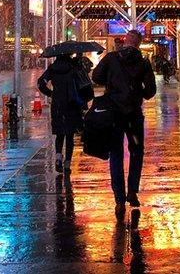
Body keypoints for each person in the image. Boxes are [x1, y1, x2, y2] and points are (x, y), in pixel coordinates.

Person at [92, 29, 157, 216]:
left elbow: (96, 77)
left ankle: (119, 200)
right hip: (134, 114)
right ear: (138, 43)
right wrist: (138, 93)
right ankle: (132, 191)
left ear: (126, 41)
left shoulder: (111, 58)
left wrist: (111, 82)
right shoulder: (143, 63)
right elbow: (150, 90)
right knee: (136, 151)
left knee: (116, 154)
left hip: (114, 114)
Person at [37, 53, 92, 173]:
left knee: (60, 134)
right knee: (70, 135)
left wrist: (51, 94)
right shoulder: (74, 67)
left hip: (57, 105)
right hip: (72, 104)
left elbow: (41, 84)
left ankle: (57, 157)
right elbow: (84, 85)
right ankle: (67, 164)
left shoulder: (53, 68)